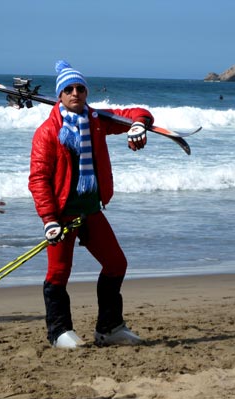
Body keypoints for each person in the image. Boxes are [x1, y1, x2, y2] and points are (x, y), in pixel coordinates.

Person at [28, 60, 154, 349]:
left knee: (116, 263)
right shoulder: (47, 132)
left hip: (91, 210)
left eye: (80, 88)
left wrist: (138, 124)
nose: (75, 93)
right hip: (62, 215)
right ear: (60, 95)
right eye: (69, 89)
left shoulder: (97, 122)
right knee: (58, 273)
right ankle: (59, 332)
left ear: (86, 92)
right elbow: (38, 180)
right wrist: (48, 219)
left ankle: (109, 328)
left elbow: (138, 112)